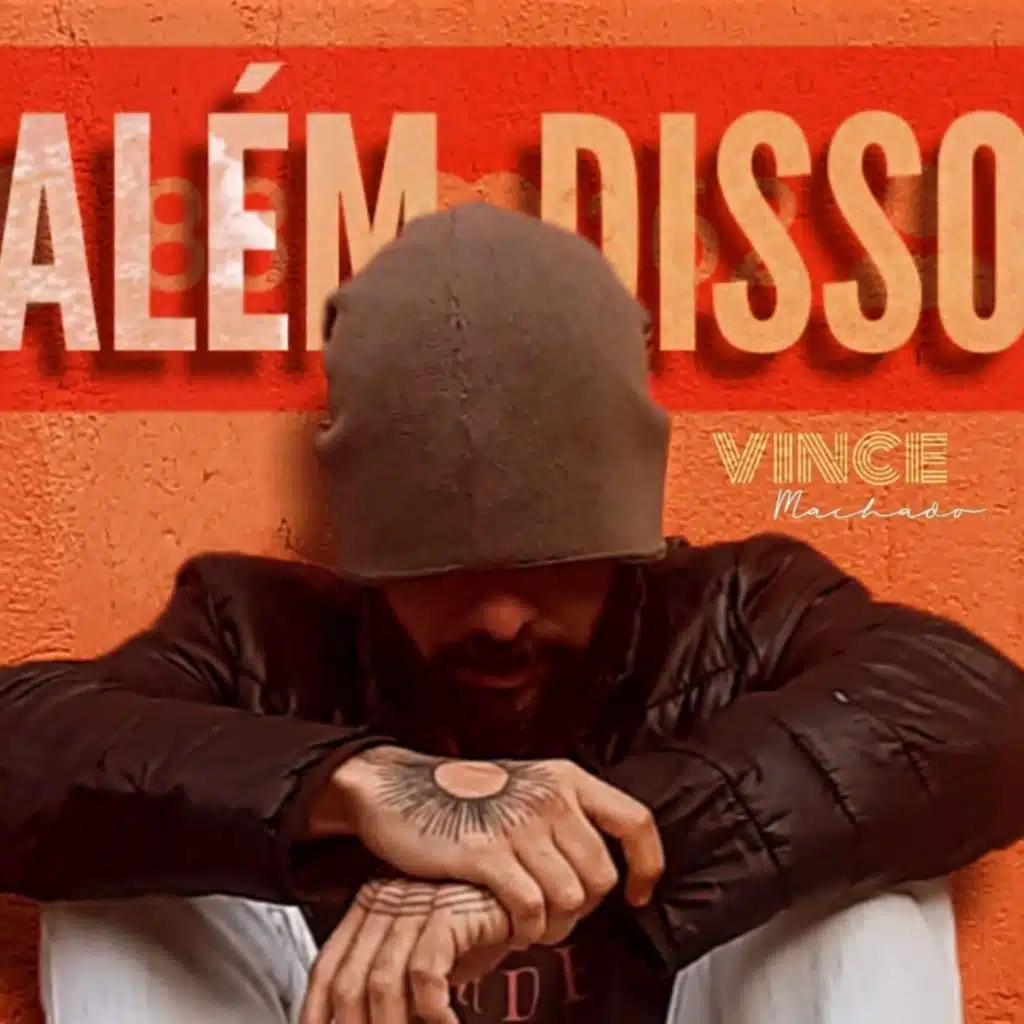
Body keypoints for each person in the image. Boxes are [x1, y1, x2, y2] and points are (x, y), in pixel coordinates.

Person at [1, 202, 1021, 1024]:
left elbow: (981, 719)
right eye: (437, 568)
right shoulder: (253, 633)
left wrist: (570, 848)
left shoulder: (738, 613)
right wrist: (368, 786)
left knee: (863, 884)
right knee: (124, 864)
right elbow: (27, 751)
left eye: (551, 562)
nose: (496, 617)